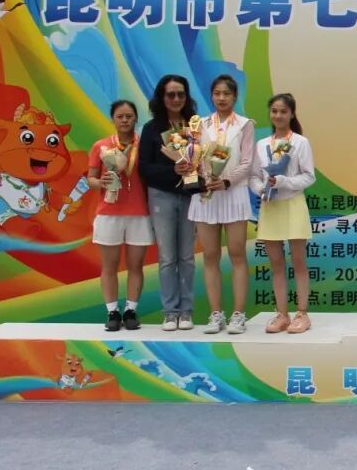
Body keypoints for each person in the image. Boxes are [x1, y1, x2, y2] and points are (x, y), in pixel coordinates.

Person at [188, 74, 255, 335]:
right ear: (211, 96)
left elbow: (247, 162)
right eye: (217, 93)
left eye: (227, 93)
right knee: (210, 256)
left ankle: (238, 315)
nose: (222, 98)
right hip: (206, 196)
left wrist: (226, 181)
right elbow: (192, 158)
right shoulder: (199, 125)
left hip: (233, 194)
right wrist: (201, 177)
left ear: (235, 96)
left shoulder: (245, 125)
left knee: (237, 254)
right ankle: (216, 315)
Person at [250, 94, 315, 334]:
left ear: (291, 114)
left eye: (283, 111)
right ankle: (282, 314)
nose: (278, 115)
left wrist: (283, 182)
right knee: (276, 264)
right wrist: (261, 189)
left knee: (298, 262)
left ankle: (302, 313)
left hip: (293, 205)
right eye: (274, 111)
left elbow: (309, 176)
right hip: (270, 207)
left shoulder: (300, 142)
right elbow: (254, 176)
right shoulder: (261, 144)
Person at [139, 75, 197, 331]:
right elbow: (144, 168)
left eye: (180, 94)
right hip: (161, 196)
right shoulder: (152, 129)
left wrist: (194, 171)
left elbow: (205, 161)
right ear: (161, 98)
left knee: (187, 257)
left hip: (190, 196)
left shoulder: (195, 127)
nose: (176, 99)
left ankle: (186, 312)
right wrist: (173, 169)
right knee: (167, 258)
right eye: (170, 94)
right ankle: (170, 313)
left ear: (187, 97)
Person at [87, 101, 152, 331]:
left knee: (136, 266)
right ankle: (112, 312)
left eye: (129, 116)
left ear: (136, 119)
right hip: (109, 213)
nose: (125, 120)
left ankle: (131, 310)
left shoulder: (144, 146)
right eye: (120, 116)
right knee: (109, 266)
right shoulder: (101, 146)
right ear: (112, 119)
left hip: (139, 213)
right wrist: (100, 182)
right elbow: (90, 178)